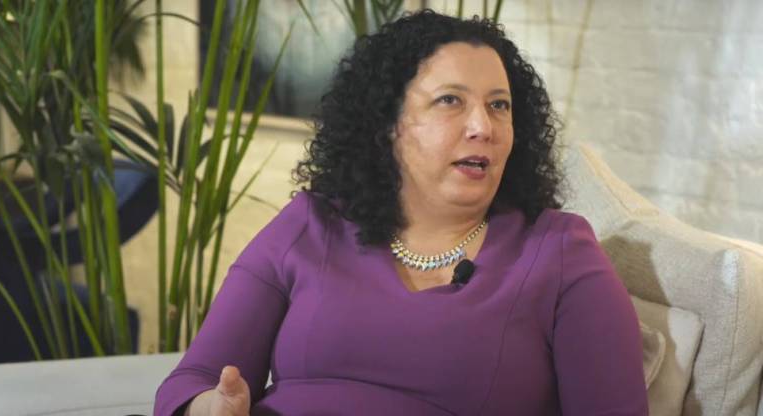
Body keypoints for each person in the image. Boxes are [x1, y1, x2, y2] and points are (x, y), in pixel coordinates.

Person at [155, 9, 648, 416]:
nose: (483, 126)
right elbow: (192, 381)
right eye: (450, 100)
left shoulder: (560, 252)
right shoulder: (310, 223)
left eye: (499, 106)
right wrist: (211, 408)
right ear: (387, 124)